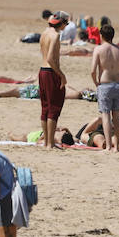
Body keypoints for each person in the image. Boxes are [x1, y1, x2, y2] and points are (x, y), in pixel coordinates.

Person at [91, 23, 119, 153]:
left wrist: (96, 82)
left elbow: (92, 70)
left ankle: (108, 146)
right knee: (117, 116)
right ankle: (117, 146)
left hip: (105, 84)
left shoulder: (99, 49)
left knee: (106, 115)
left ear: (101, 36)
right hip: (118, 85)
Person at [38, 11, 69, 148]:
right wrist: (61, 74)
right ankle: (50, 143)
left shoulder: (44, 33)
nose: (66, 26)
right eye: (66, 23)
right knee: (54, 107)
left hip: (42, 71)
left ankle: (46, 142)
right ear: (61, 23)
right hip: (51, 72)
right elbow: (51, 58)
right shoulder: (55, 35)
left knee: (45, 107)